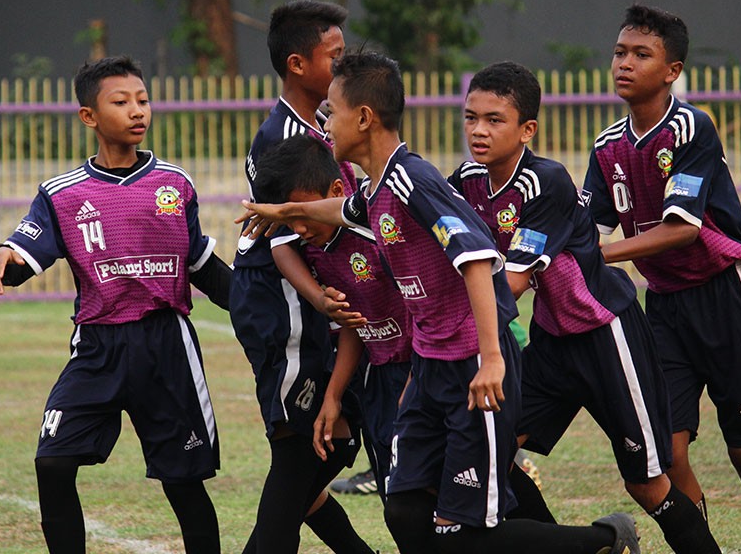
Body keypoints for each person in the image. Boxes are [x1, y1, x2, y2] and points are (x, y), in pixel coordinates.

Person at [240, 51, 641, 554]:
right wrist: (290, 208)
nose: (324, 123)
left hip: (472, 364)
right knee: (404, 508)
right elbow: (343, 210)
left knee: (460, 530)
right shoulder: (378, 187)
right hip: (429, 369)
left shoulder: (413, 180)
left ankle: (605, 540)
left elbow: (476, 260)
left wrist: (492, 356)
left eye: (332, 112)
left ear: (363, 118)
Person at [450, 61, 720, 552]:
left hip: (606, 335)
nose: (478, 131)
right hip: (553, 342)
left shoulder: (544, 181)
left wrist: (448, 325)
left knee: (647, 484)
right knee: (496, 453)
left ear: (527, 129)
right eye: (470, 118)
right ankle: (588, 546)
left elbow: (513, 283)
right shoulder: (466, 180)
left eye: (494, 119)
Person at [0, 56, 232, 554]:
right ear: (89, 116)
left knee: (183, 483)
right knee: (52, 463)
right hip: (98, 347)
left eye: (142, 100)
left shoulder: (175, 183)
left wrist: (259, 308)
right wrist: (2, 253)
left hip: (166, 347)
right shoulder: (62, 194)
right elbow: (22, 256)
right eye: (121, 102)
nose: (137, 111)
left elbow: (200, 261)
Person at [585, 4, 741, 554]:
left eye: (641, 54)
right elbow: (580, 226)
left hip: (727, 292)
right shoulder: (606, 147)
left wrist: (602, 255)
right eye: (619, 52)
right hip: (666, 306)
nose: (624, 64)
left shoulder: (690, 126)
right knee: (668, 452)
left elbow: (681, 230)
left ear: (672, 70)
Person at [231, 0, 373, 554]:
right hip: (284, 304)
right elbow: (285, 237)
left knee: (328, 445)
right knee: (304, 447)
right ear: (297, 64)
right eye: (333, 58)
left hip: (304, 305)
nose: (342, 68)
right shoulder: (282, 136)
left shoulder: (321, 122)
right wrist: (322, 302)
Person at [250, 133, 412, 507]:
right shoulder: (315, 249)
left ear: (337, 190)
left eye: (303, 213)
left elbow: (429, 306)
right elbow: (355, 322)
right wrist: (333, 396)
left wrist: (420, 379)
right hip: (379, 377)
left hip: (428, 366)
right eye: (290, 219)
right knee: (399, 505)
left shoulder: (377, 225)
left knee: (443, 503)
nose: (300, 227)